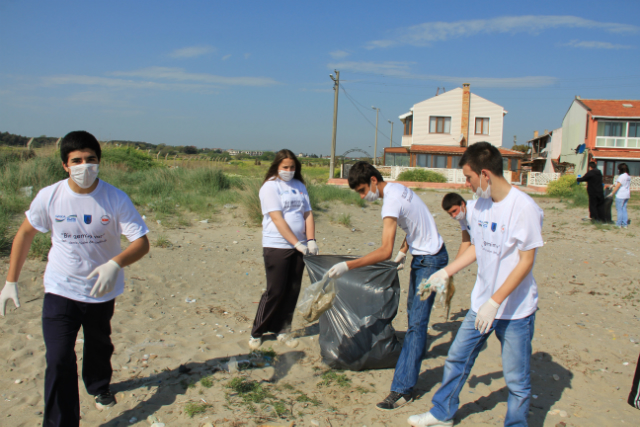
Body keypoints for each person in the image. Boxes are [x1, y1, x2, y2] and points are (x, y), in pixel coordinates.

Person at [0, 131, 150, 427]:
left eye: (91, 159)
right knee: (58, 358)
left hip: (101, 290)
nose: (85, 166)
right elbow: (25, 233)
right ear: (65, 165)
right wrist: (11, 281)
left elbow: (141, 243)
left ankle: (98, 385)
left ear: (99, 162)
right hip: (60, 289)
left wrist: (115, 264)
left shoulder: (115, 198)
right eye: (77, 160)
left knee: (98, 343)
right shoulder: (50, 196)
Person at [407, 142, 543, 427]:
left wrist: (496, 302)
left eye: (468, 178)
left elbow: (525, 262)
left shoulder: (524, 208)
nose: (466, 184)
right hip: (480, 304)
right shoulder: (479, 206)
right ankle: (442, 413)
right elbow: (476, 248)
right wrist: (445, 272)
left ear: (484, 174)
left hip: (514, 310)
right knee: (457, 357)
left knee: (516, 379)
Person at [327, 161, 448, 411]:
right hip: (427, 255)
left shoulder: (391, 201)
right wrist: (404, 252)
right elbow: (414, 223)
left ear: (373, 180)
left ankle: (402, 389)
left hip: (430, 262)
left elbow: (384, 251)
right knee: (416, 319)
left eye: (362, 190)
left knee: (416, 325)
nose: (363, 196)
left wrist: (348, 266)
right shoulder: (398, 189)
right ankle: (413, 359)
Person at [249, 149, 317, 350]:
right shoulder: (270, 187)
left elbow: (308, 213)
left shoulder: (299, 185)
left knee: (292, 290)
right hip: (277, 245)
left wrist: (310, 240)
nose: (289, 170)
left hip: (302, 246)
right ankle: (257, 331)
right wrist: (296, 243)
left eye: (292, 167)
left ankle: (282, 329)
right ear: (277, 167)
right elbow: (277, 218)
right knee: (275, 290)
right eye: (285, 167)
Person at [441, 193, 475, 260]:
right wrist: (454, 266)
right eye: (450, 213)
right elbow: (466, 241)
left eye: (454, 211)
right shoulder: (462, 215)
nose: (453, 215)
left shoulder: (473, 213)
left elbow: (478, 244)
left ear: (462, 204)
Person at [606, 163, 631, 228]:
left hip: (620, 195)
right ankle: (625, 224)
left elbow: (618, 186)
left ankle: (619, 224)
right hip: (627, 195)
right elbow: (619, 183)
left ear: (620, 169)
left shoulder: (622, 176)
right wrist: (613, 185)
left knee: (619, 209)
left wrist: (612, 193)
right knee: (624, 209)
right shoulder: (628, 176)